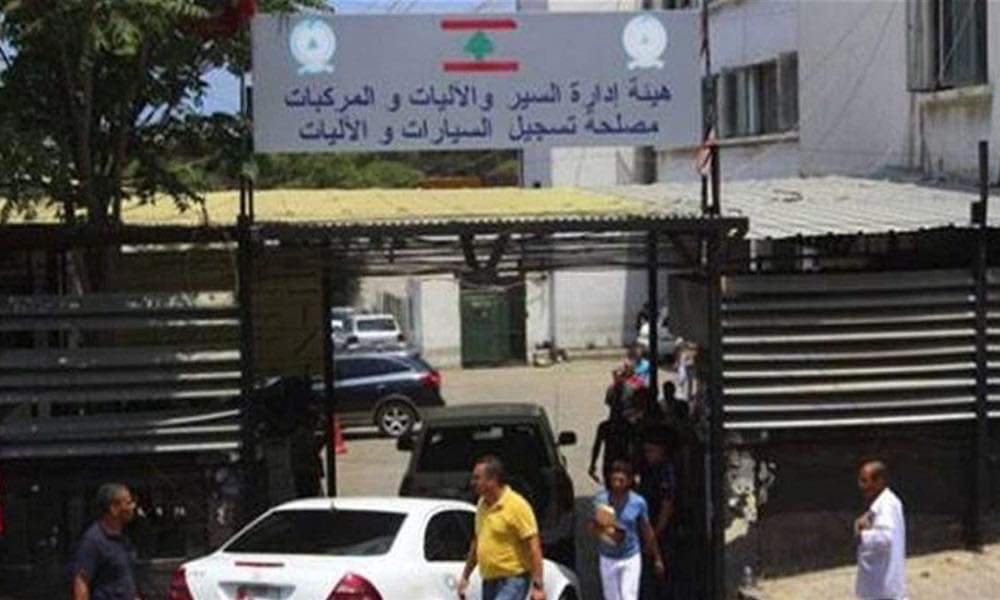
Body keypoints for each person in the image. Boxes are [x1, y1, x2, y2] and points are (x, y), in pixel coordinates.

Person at [458, 455, 546, 600]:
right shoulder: (481, 505)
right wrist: (465, 576)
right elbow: (477, 542)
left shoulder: (516, 506)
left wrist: (538, 586)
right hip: (489, 579)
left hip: (513, 579)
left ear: (492, 480)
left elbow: (534, 547)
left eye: (477, 478)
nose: (473, 483)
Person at [589, 460, 665, 600]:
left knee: (628, 596)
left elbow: (646, 529)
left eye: (621, 481)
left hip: (630, 557)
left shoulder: (638, 502)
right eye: (614, 480)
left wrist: (657, 557)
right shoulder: (600, 500)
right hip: (608, 558)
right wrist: (606, 530)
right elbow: (592, 527)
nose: (617, 484)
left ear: (630, 481)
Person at [71, 483, 141, 600]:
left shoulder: (123, 539)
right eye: (128, 503)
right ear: (113, 508)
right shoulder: (93, 540)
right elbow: (81, 581)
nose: (133, 507)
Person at [855, 460, 906, 600]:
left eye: (865, 481)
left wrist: (862, 536)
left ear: (879, 481)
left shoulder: (887, 505)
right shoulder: (881, 505)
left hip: (884, 591)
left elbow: (886, 537)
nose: (861, 486)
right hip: (877, 588)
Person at [637, 427, 677, 599]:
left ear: (662, 450)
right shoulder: (651, 470)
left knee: (661, 578)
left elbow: (667, 506)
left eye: (651, 451)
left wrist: (654, 535)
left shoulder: (666, 472)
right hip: (649, 530)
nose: (648, 455)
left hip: (661, 534)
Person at [589, 405, 637, 484]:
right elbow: (634, 447)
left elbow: (597, 446)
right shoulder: (628, 426)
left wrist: (593, 464)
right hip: (623, 461)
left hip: (611, 461)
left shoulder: (605, 426)